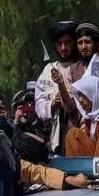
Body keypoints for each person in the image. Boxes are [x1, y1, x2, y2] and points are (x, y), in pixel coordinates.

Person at [35, 21, 79, 154]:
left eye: (67, 42)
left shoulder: (82, 67)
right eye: (59, 44)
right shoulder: (49, 70)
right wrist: (52, 104)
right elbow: (39, 103)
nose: (63, 48)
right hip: (58, 130)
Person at [65, 75, 99, 157]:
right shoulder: (92, 117)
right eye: (79, 95)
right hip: (92, 160)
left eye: (84, 95)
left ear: (94, 94)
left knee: (74, 133)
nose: (80, 100)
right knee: (74, 133)